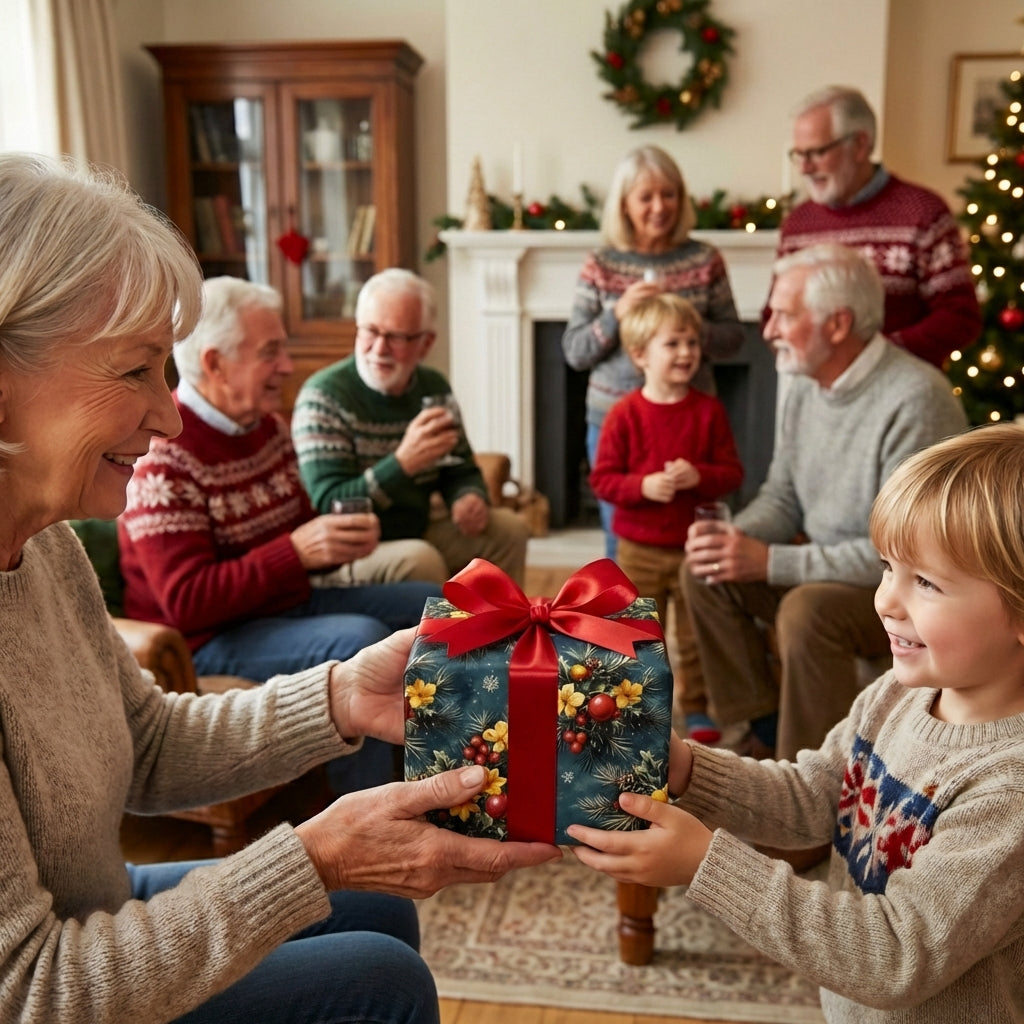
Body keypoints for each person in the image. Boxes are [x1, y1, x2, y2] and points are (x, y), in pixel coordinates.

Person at [0, 152, 560, 1024]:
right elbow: (34, 989)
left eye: (169, 371)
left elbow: (144, 744)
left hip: (88, 901)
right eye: (134, 369)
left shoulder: (46, 551)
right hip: (54, 979)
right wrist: (315, 856)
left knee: (379, 912)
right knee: (384, 981)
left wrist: (340, 700)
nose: (169, 415)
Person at [570, 424, 1024, 1024]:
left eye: (926, 582)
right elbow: (813, 794)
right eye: (888, 567)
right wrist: (687, 767)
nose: (885, 600)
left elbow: (895, 954)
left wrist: (709, 866)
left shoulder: (1008, 789)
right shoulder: (897, 694)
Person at [118, 276, 441, 791]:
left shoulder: (266, 427)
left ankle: (448, 769)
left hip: (279, 606)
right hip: (207, 638)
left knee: (433, 604)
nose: (288, 367)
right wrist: (294, 552)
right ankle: (371, 820)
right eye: (272, 352)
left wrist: (333, 544)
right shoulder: (162, 456)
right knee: (359, 640)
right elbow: (185, 601)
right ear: (215, 363)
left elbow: (298, 534)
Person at [681, 242, 967, 767]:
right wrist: (732, 542)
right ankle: (762, 728)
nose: (767, 331)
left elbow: (914, 556)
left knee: (807, 611)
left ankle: (809, 785)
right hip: (826, 565)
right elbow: (782, 497)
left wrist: (771, 562)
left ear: (837, 325)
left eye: (784, 316)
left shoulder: (914, 398)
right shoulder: (805, 386)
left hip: (903, 587)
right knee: (705, 571)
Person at [291, 267, 530, 587]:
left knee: (509, 529)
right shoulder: (323, 397)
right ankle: (432, 638)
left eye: (396, 337)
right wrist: (403, 464)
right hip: (350, 549)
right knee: (420, 559)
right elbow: (331, 503)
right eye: (370, 331)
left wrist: (467, 496)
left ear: (426, 343)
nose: (378, 348)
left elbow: (459, 468)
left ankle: (498, 633)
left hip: (417, 526)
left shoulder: (433, 387)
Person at [561, 145, 744, 557]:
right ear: (624, 204)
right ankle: (628, 620)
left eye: (669, 194)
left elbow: (734, 338)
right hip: (615, 421)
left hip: (688, 421)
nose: (659, 207)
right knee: (621, 540)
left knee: (690, 542)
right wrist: (617, 315)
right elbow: (575, 351)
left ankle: (691, 614)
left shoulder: (705, 258)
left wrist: (683, 322)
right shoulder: (600, 263)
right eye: (646, 197)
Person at [589, 293, 743, 744]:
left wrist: (700, 476)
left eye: (692, 343)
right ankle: (641, 700)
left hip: (693, 548)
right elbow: (603, 480)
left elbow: (732, 474)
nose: (686, 353)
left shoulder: (708, 410)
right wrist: (642, 487)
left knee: (695, 637)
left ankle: (696, 707)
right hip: (637, 548)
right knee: (637, 630)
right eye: (672, 344)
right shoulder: (624, 414)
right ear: (640, 355)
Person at [775, 84, 981, 368]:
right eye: (798, 155)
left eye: (817, 153)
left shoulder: (922, 213)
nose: (804, 168)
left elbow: (961, 316)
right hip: (818, 393)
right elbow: (773, 313)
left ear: (860, 145)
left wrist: (875, 359)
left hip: (901, 389)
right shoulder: (798, 224)